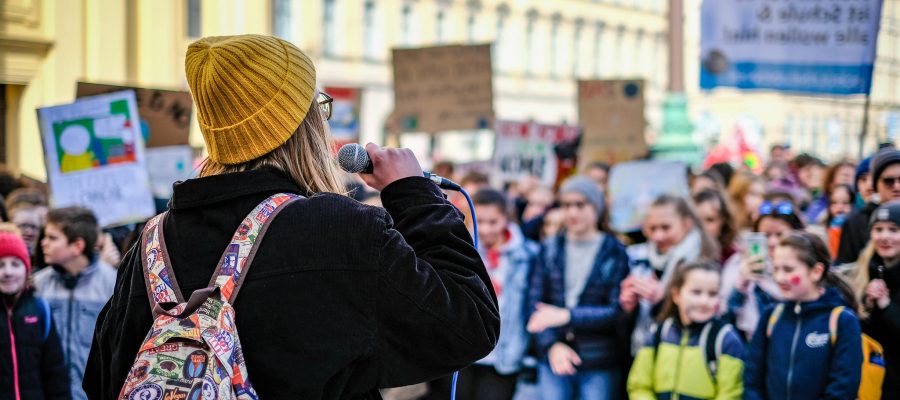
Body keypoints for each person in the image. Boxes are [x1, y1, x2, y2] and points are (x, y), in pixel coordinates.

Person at [84, 34, 499, 399]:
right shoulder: (336, 228)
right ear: (302, 126)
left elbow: (102, 378)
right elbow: (468, 321)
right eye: (318, 106)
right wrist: (412, 193)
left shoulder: (151, 241)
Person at [527, 175, 629, 400]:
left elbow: (615, 310)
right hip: (554, 358)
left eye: (580, 205)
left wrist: (566, 316)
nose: (572, 212)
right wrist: (551, 345)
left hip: (598, 359)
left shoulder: (614, 251)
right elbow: (533, 305)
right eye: (566, 205)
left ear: (597, 207)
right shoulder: (550, 248)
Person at [434, 189, 537, 400]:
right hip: (462, 350)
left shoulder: (528, 255)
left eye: (494, 221)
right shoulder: (458, 249)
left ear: (506, 219)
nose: (487, 229)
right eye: (480, 221)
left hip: (503, 355)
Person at [743, 232, 863, 400]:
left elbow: (843, 387)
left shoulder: (842, 320)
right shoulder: (771, 316)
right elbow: (752, 377)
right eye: (776, 268)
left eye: (788, 269)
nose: (779, 277)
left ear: (816, 271)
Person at [626, 262, 744, 399]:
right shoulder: (659, 332)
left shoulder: (725, 339)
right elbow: (639, 385)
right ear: (676, 295)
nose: (704, 301)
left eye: (712, 294)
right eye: (696, 292)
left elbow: (731, 394)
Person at [32, 206, 115, 400]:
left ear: (77, 245)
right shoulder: (38, 283)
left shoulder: (112, 283)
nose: (43, 243)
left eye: (52, 238)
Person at [621, 194, 719, 353]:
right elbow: (624, 323)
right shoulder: (638, 258)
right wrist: (629, 306)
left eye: (666, 228)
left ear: (687, 224)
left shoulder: (701, 259)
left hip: (686, 350)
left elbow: (706, 312)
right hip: (644, 350)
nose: (658, 236)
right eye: (652, 228)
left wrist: (662, 300)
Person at [0, 225, 69, 399]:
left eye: (15, 264)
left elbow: (55, 374)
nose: (8, 272)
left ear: (26, 269)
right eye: (1, 265)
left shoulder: (40, 309)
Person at [721, 200, 805, 339]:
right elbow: (726, 315)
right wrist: (741, 284)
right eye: (766, 235)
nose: (772, 242)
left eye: (780, 234)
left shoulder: (805, 268)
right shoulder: (737, 264)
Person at [848, 201, 900, 398]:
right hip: (872, 384)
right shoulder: (862, 274)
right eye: (878, 229)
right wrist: (868, 307)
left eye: (893, 230)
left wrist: (886, 306)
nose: (884, 236)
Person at [837, 148, 900, 264]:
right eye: (889, 181)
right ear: (876, 185)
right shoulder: (855, 222)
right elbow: (844, 269)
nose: (897, 186)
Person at [693, 189, 738, 263]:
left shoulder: (733, 257)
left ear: (723, 221)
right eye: (697, 220)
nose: (702, 226)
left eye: (710, 220)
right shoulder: (684, 253)